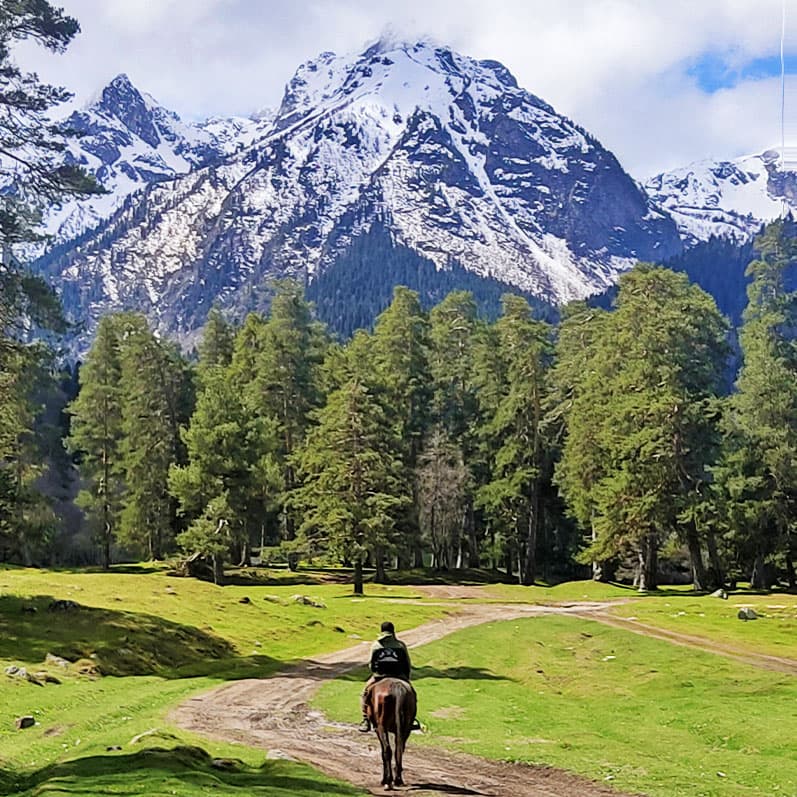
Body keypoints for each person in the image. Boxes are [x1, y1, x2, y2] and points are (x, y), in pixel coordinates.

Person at [358, 621, 418, 732]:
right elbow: (407, 663)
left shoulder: (376, 645)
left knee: (365, 692)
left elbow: (371, 663)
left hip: (380, 676)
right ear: (393, 631)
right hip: (399, 675)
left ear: (381, 631)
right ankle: (412, 719)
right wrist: (407, 678)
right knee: (412, 693)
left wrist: (375, 673)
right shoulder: (400, 645)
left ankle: (365, 719)